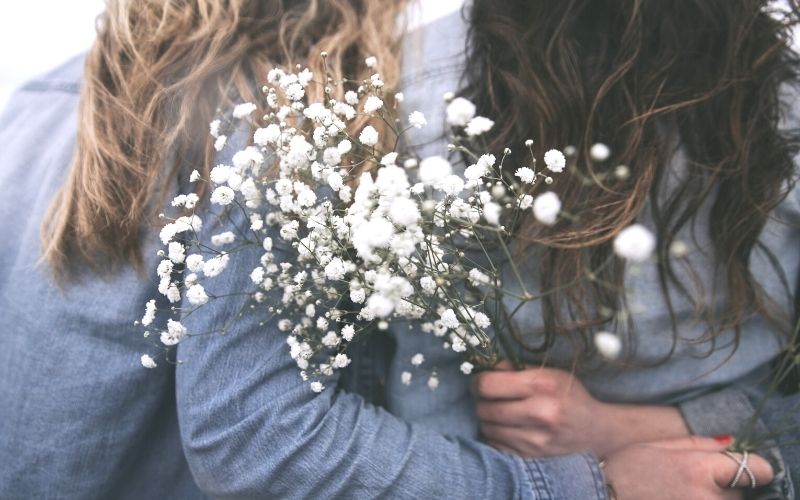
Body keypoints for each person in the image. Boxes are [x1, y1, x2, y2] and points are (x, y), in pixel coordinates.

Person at [0, 1, 790, 500]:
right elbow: (256, 434)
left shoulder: (38, 105)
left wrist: (632, 433)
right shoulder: (282, 120)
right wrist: (591, 483)